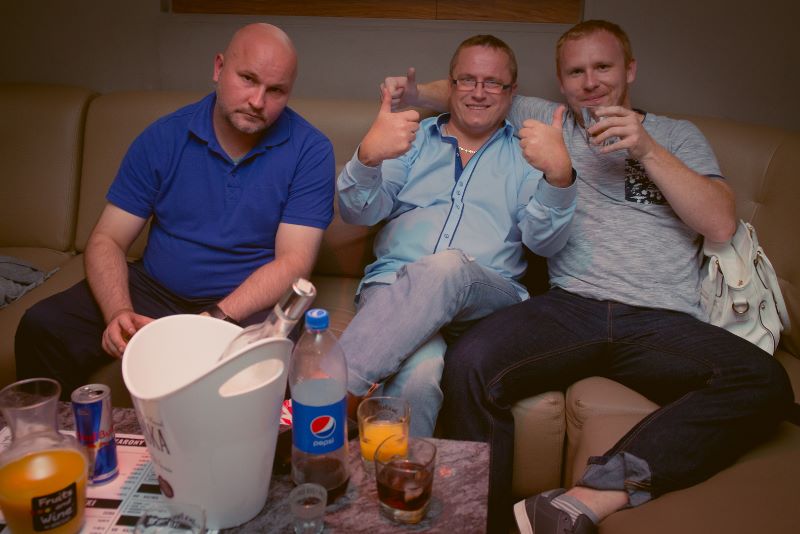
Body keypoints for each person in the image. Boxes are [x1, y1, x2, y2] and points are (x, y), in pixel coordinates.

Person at [382, 19, 794, 534]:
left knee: (764, 381)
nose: (591, 82)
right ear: (561, 81)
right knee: (468, 363)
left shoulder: (676, 135)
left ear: (630, 70)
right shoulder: (549, 119)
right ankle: (479, 523)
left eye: (603, 67)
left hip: (660, 319)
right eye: (576, 72)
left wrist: (645, 149)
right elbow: (475, 90)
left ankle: (586, 497)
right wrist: (418, 94)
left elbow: (719, 223)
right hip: (569, 308)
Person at [15, 23, 334, 395]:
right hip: (155, 289)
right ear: (219, 68)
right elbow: (107, 239)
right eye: (247, 79)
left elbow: (294, 262)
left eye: (275, 90)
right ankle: (65, 430)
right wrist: (118, 312)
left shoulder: (310, 150)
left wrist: (213, 319)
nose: (258, 101)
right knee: (42, 326)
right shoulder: (164, 137)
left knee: (265, 365)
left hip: (247, 302)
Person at [336, 34, 577, 437]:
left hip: (486, 296)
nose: (478, 93)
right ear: (450, 86)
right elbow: (358, 213)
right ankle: (397, 477)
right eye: (467, 80)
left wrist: (558, 177)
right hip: (397, 286)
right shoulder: (412, 139)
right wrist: (368, 158)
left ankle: (324, 393)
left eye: (493, 83)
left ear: (511, 91)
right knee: (420, 376)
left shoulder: (527, 155)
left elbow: (544, 243)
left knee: (447, 266)